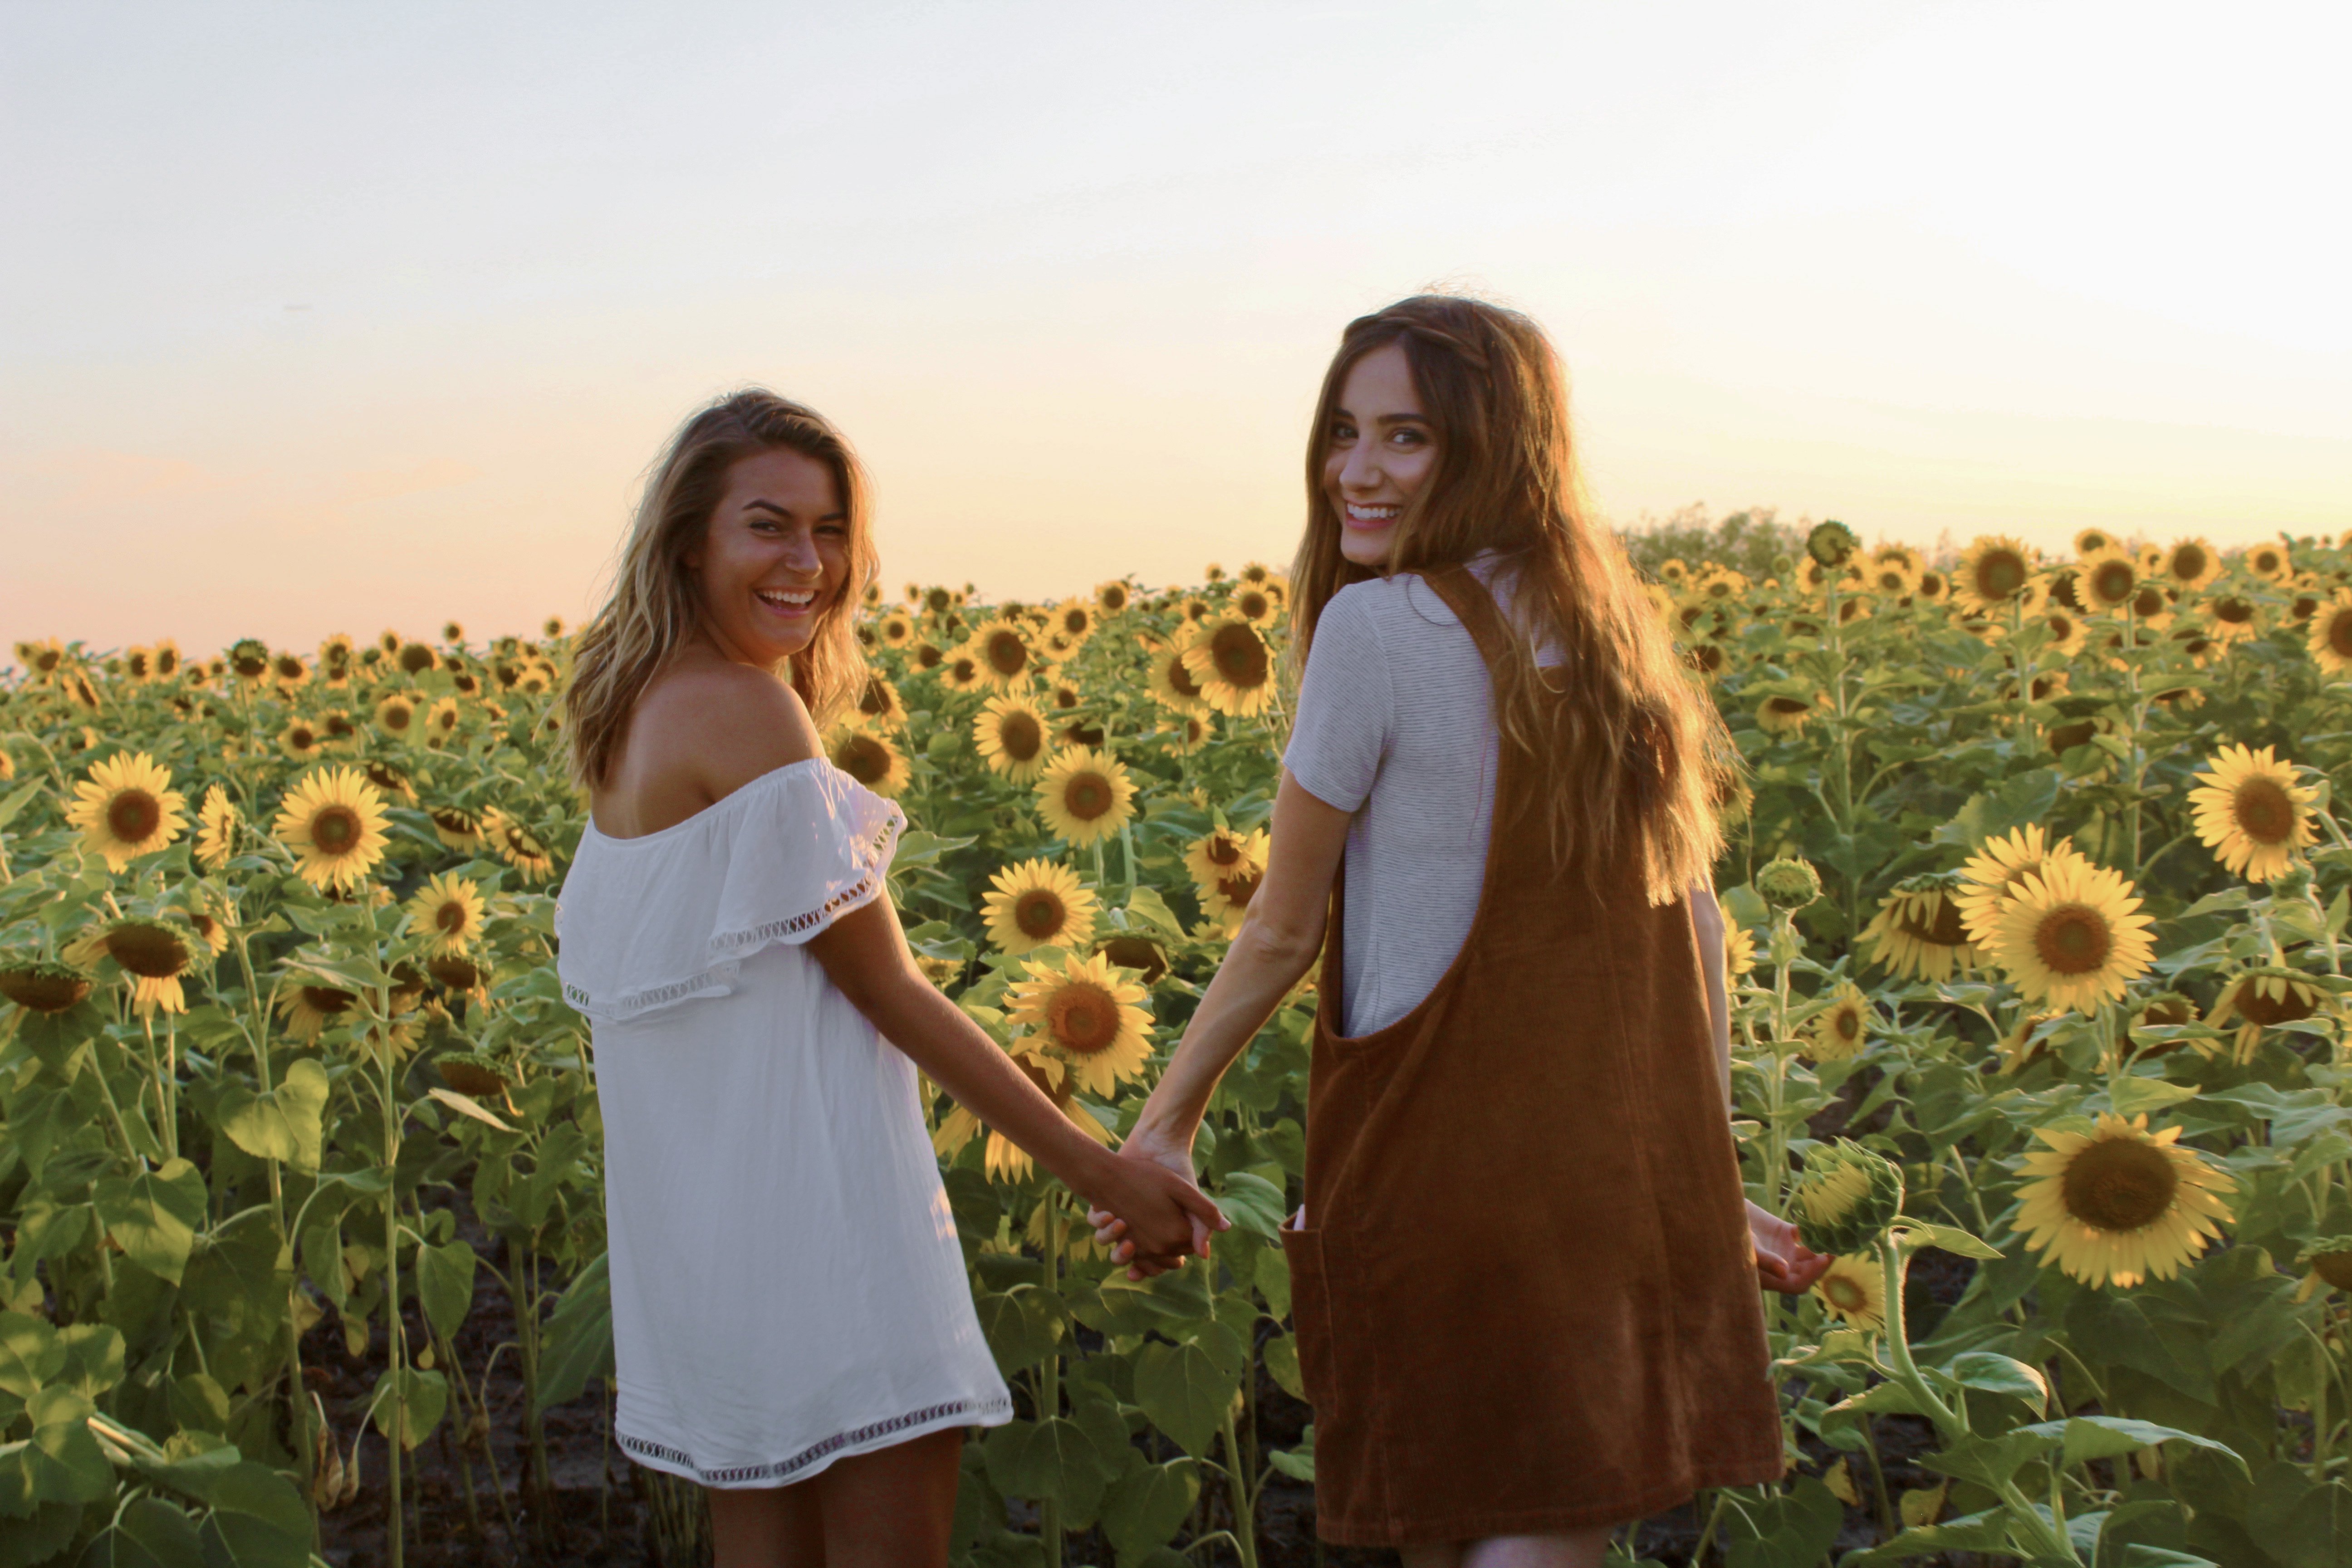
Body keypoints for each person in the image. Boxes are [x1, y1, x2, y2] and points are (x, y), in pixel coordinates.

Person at [1092, 297, 1829, 1567]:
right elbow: (1695, 931)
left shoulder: (1377, 633)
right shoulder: (1613, 644)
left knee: (1456, 1523)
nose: (1356, 473)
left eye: (1407, 438)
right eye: (1345, 432)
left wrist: (1165, 1121)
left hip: (1436, 1160)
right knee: (1559, 1520)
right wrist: (1702, 1185)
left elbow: (1280, 930)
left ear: (1493, 448)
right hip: (1607, 1169)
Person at [557, 390, 1226, 1568]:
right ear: (689, 540)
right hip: (823, 1228)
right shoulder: (746, 710)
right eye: (769, 525)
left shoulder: (634, 718)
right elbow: (888, 990)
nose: (807, 564)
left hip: (711, 1255)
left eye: (829, 533)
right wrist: (1102, 1174)